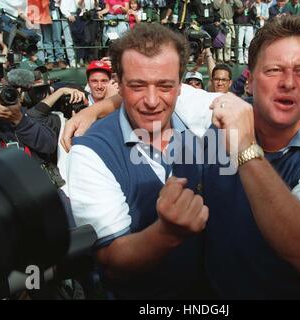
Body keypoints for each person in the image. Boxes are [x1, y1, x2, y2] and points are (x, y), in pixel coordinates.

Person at [203, 15, 300, 298]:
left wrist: (244, 149)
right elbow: (159, 91)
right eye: (274, 70)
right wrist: (94, 112)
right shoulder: (216, 124)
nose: (288, 82)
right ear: (250, 77)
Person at [67, 23, 210, 299]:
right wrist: (167, 232)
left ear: (180, 86)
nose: (152, 100)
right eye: (137, 86)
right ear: (118, 84)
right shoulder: (90, 153)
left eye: (165, 85)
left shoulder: (202, 121)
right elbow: (111, 260)